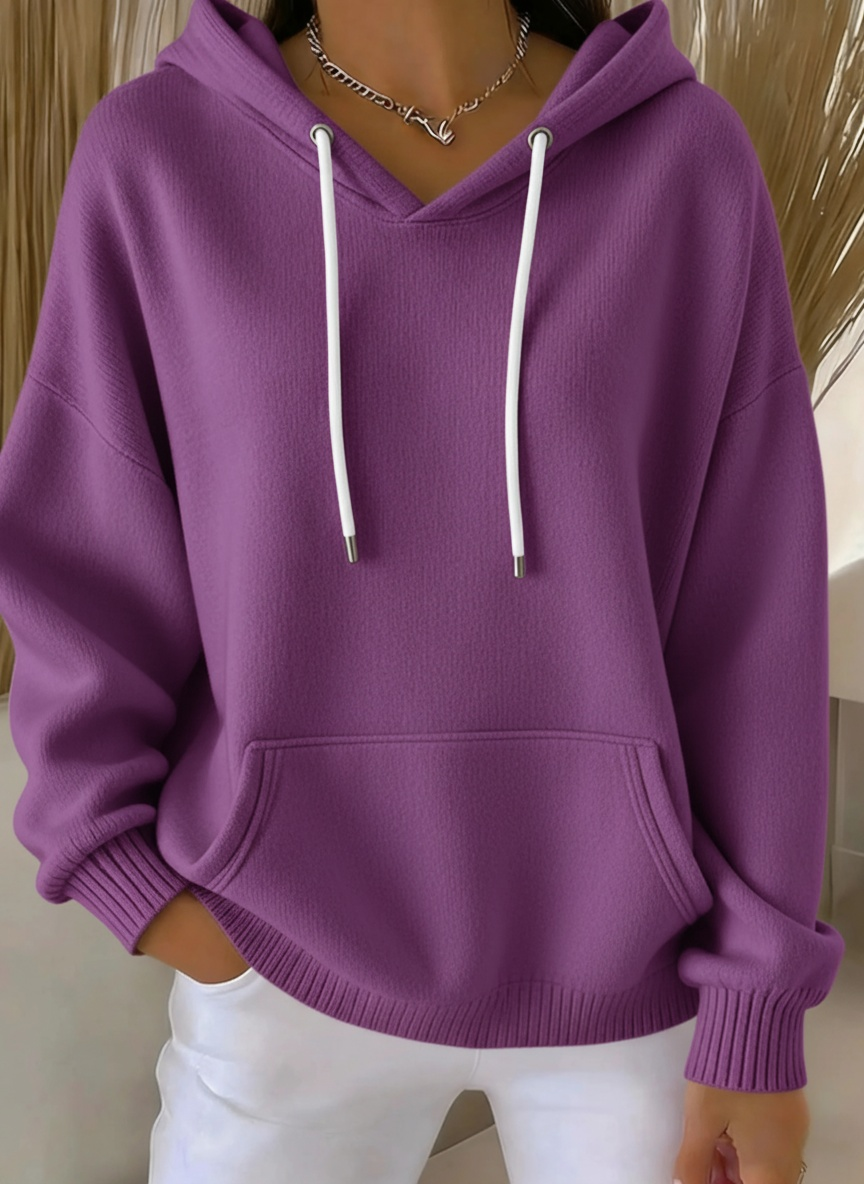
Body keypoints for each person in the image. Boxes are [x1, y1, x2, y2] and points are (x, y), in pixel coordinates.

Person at [0, 0, 844, 1181]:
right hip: (275, 965)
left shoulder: (682, 159)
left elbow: (751, 612)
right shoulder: (159, 155)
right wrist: (125, 873)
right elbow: (84, 554)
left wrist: (758, 1008)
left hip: (633, 977)